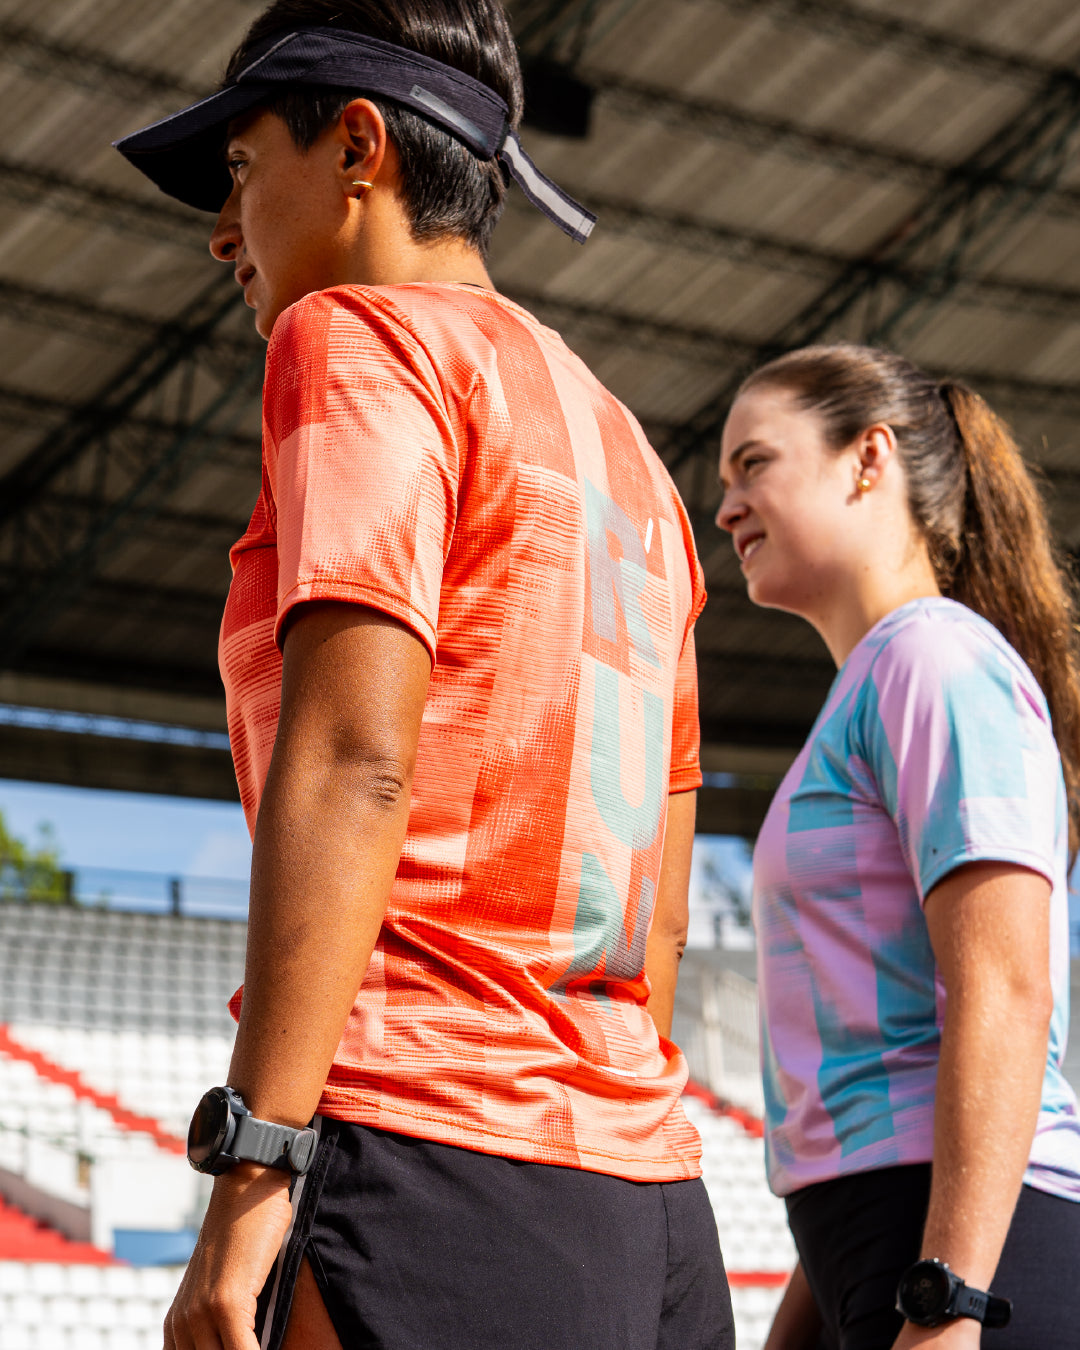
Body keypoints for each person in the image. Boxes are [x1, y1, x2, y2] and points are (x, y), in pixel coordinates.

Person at [114, 3, 734, 1348]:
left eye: (235, 172)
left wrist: (256, 1159)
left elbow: (351, 761)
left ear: (357, 147)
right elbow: (662, 898)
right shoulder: (628, 448)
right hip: (645, 1191)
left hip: (425, 1153)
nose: (223, 232)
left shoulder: (360, 338)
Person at [716, 343, 1080, 1350]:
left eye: (755, 463)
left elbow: (1004, 988)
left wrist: (949, 1301)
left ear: (866, 460)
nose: (726, 506)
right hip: (888, 1246)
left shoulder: (934, 660)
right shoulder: (881, 682)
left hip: (972, 1263)